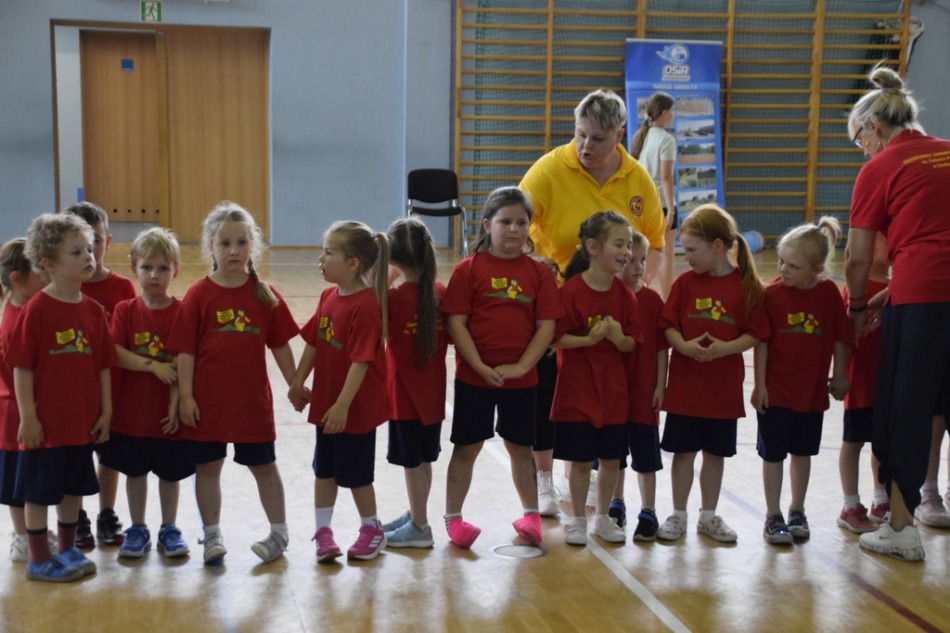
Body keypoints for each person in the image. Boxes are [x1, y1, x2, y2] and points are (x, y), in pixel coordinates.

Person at [519, 88, 664, 513]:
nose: (585, 146)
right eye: (580, 134)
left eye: (597, 139)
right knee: (549, 392)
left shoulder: (637, 179)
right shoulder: (549, 170)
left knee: (598, 395)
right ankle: (543, 478)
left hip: (611, 308)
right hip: (558, 304)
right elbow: (516, 224)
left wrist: (633, 290)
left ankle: (584, 473)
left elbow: (654, 242)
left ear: (619, 135)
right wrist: (534, 263)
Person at [845, 64, 950, 562]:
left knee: (906, 410)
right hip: (923, 291)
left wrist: (858, 305)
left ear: (875, 126)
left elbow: (856, 258)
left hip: (922, 301)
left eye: (859, 139)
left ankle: (903, 528)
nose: (862, 149)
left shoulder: (880, 168)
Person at [169, 201, 299, 564]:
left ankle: (279, 533)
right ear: (210, 247)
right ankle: (211, 535)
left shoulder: (264, 293)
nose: (233, 251)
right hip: (207, 403)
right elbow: (185, 352)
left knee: (264, 467)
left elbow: (280, 345)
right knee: (208, 468)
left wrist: (294, 383)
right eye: (225, 244)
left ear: (252, 246)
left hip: (251, 404)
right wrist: (186, 396)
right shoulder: (199, 294)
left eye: (241, 243)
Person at [440, 187, 562, 549]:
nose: (513, 229)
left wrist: (523, 365)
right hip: (474, 378)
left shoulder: (539, 273)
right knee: (467, 447)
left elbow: (546, 327)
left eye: (521, 223)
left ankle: (531, 515)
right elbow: (456, 323)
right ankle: (453, 518)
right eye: (505, 222)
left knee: (521, 448)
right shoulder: (468, 270)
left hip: (521, 381)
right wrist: (478, 365)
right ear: (487, 225)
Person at [8, 213, 117, 582]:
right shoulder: (37, 309)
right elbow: (22, 368)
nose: (89, 256)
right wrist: (28, 417)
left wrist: (106, 410)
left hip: (80, 425)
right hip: (46, 427)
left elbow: (104, 365)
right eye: (77, 252)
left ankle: (68, 550)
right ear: (49, 264)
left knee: (73, 491)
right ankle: (39, 559)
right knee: (38, 494)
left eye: (89, 248)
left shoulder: (93, 311)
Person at [656, 204, 768, 543]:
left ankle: (708, 515)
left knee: (715, 455)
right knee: (683, 453)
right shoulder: (685, 284)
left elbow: (756, 333)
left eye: (692, 250)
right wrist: (683, 346)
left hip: (723, 390)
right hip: (685, 389)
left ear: (718, 246)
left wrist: (726, 348)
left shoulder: (745, 286)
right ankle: (678, 515)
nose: (686, 256)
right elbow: (668, 326)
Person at [287, 221, 390, 562]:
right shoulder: (328, 297)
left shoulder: (366, 305)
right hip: (328, 404)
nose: (321, 259)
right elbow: (314, 342)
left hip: (353, 409)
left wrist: (343, 405)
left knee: (357, 476)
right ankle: (323, 532)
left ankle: (372, 530)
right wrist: (298, 381)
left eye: (329, 252)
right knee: (324, 471)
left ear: (352, 263)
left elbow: (361, 362)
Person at [751, 218, 851, 545]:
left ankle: (797, 510)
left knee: (802, 453)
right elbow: (762, 343)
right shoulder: (772, 294)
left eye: (794, 266)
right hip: (776, 393)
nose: (784, 269)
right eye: (781, 261)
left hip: (811, 394)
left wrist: (840, 374)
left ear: (817, 269)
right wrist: (760, 385)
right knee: (773, 455)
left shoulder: (828, 294)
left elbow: (840, 337)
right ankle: (772, 514)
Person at [99, 227, 193, 559]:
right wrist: (153, 366)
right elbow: (115, 352)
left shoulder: (182, 311)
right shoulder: (126, 310)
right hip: (131, 414)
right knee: (134, 473)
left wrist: (176, 401)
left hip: (167, 417)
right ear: (134, 269)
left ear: (175, 271)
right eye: (147, 267)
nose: (155, 275)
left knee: (170, 475)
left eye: (163, 268)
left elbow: (183, 360)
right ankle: (137, 527)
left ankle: (169, 527)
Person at [550, 211, 638, 546]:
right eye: (620, 244)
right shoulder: (571, 292)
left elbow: (632, 343)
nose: (627, 252)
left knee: (612, 460)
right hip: (577, 392)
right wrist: (588, 339)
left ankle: (602, 518)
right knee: (581, 461)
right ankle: (577, 519)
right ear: (593, 247)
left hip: (613, 393)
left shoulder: (624, 295)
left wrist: (617, 337)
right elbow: (555, 338)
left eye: (629, 245)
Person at [63, 202, 136, 549]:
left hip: (114, 390)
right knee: (75, 456)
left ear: (108, 240)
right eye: (80, 242)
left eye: (96, 239)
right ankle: (76, 516)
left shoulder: (122, 288)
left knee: (110, 455)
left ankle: (107, 512)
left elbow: (131, 338)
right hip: (72, 392)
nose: (90, 249)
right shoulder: (60, 289)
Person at [379, 219, 449, 548]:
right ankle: (416, 514)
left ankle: (420, 528)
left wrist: (386, 277)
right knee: (423, 461)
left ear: (393, 258)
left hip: (404, 398)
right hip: (433, 396)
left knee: (411, 465)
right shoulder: (440, 293)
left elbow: (375, 328)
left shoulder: (392, 299)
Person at [612, 230, 668, 541]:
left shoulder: (652, 300)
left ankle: (648, 511)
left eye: (642, 260)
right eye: (629, 260)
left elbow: (660, 349)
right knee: (613, 454)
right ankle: (616, 504)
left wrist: (660, 385)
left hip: (644, 391)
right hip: (613, 393)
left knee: (646, 457)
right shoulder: (607, 296)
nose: (637, 267)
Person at [1, 238, 51, 562]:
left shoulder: (20, 309)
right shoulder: (18, 319)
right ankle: (22, 538)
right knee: (18, 482)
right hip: (15, 413)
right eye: (39, 270)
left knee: (22, 478)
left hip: (17, 410)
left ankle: (27, 534)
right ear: (17, 279)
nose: (47, 276)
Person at [837, 232, 890, 533]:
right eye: (885, 239)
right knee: (853, 441)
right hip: (860, 381)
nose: (892, 243)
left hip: (886, 381)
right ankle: (850, 504)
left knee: (882, 441)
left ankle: (880, 497)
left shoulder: (896, 287)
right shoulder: (855, 289)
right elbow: (843, 338)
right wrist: (841, 373)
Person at [630, 91, 678, 298]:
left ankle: (636, 294)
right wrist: (671, 210)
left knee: (641, 253)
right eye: (672, 110)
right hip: (661, 204)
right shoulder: (667, 140)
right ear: (665, 112)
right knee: (665, 255)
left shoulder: (641, 136)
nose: (673, 114)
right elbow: (666, 177)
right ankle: (667, 301)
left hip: (641, 204)